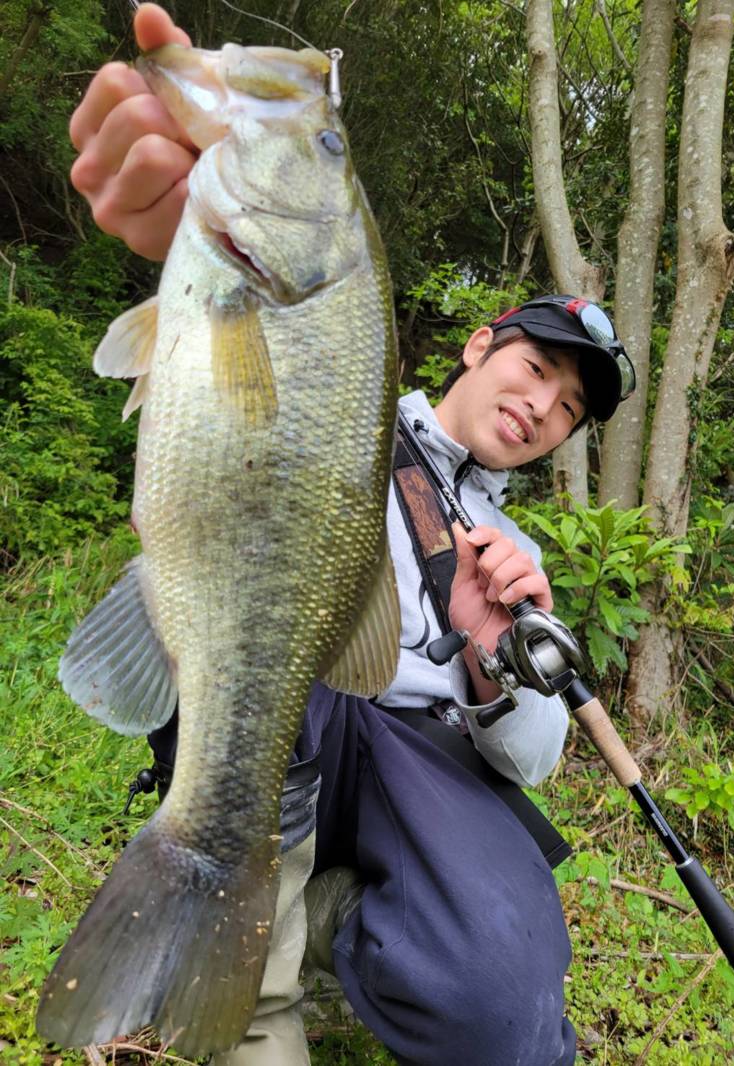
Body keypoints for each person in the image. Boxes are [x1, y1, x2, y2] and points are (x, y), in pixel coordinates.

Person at [66, 7, 635, 1065]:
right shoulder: (349, 394)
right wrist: (182, 220)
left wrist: (492, 656)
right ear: (478, 347)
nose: (540, 406)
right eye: (535, 369)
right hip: (295, 727)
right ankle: (250, 996)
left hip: (417, 770)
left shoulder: (516, 556)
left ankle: (337, 919)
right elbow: (231, 359)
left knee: (506, 1015)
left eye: (567, 409)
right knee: (284, 664)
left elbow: (531, 761)